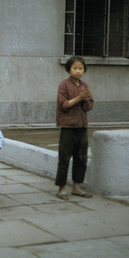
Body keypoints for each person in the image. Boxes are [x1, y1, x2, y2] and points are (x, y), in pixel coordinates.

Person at [55, 56, 94, 200]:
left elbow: (90, 105)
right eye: (75, 68)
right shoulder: (64, 85)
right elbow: (63, 104)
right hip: (68, 126)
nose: (78, 71)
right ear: (69, 69)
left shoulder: (85, 86)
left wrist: (85, 100)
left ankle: (77, 186)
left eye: (81, 69)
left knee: (81, 158)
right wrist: (79, 98)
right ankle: (62, 188)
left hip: (82, 126)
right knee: (64, 157)